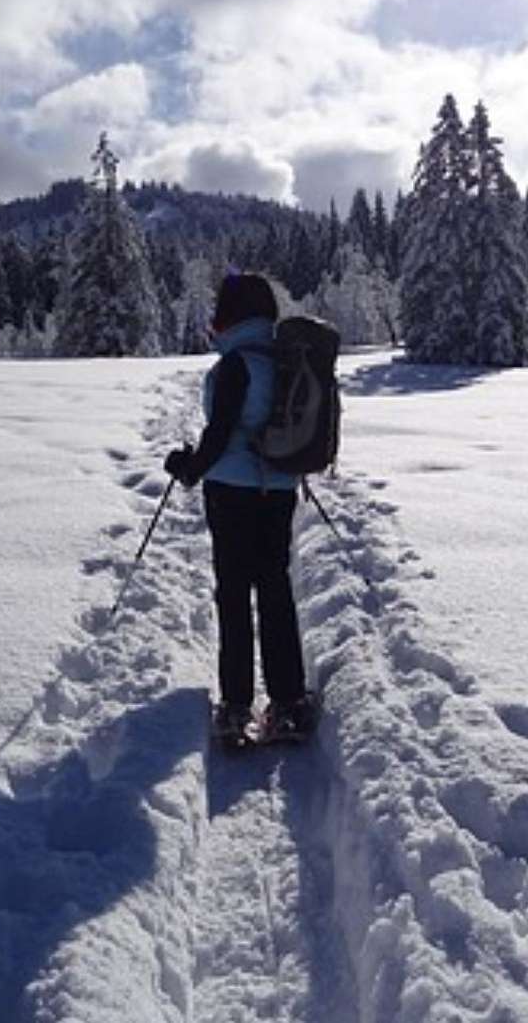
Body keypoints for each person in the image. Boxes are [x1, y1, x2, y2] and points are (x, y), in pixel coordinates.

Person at [164, 273, 315, 744]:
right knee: (274, 586)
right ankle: (289, 702)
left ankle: (236, 707)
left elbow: (220, 433)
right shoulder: (284, 360)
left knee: (233, 592)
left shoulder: (234, 364)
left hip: (230, 490)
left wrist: (187, 469)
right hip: (280, 488)